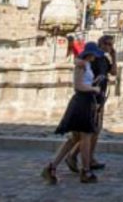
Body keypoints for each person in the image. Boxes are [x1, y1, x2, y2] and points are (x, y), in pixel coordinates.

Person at [42, 42, 105, 184]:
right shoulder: (81, 65)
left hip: (85, 101)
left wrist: (94, 82)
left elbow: (84, 82)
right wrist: (94, 89)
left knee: (74, 139)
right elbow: (78, 86)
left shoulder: (86, 64)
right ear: (90, 54)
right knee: (86, 136)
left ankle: (52, 167)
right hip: (82, 102)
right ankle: (86, 170)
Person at [65, 35, 114, 174]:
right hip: (91, 98)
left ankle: (84, 159)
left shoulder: (104, 59)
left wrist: (114, 57)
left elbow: (114, 72)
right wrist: (93, 87)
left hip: (100, 96)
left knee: (94, 131)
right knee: (88, 131)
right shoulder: (91, 59)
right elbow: (80, 64)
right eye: (108, 44)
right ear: (101, 44)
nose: (110, 47)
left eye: (111, 44)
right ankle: (79, 160)